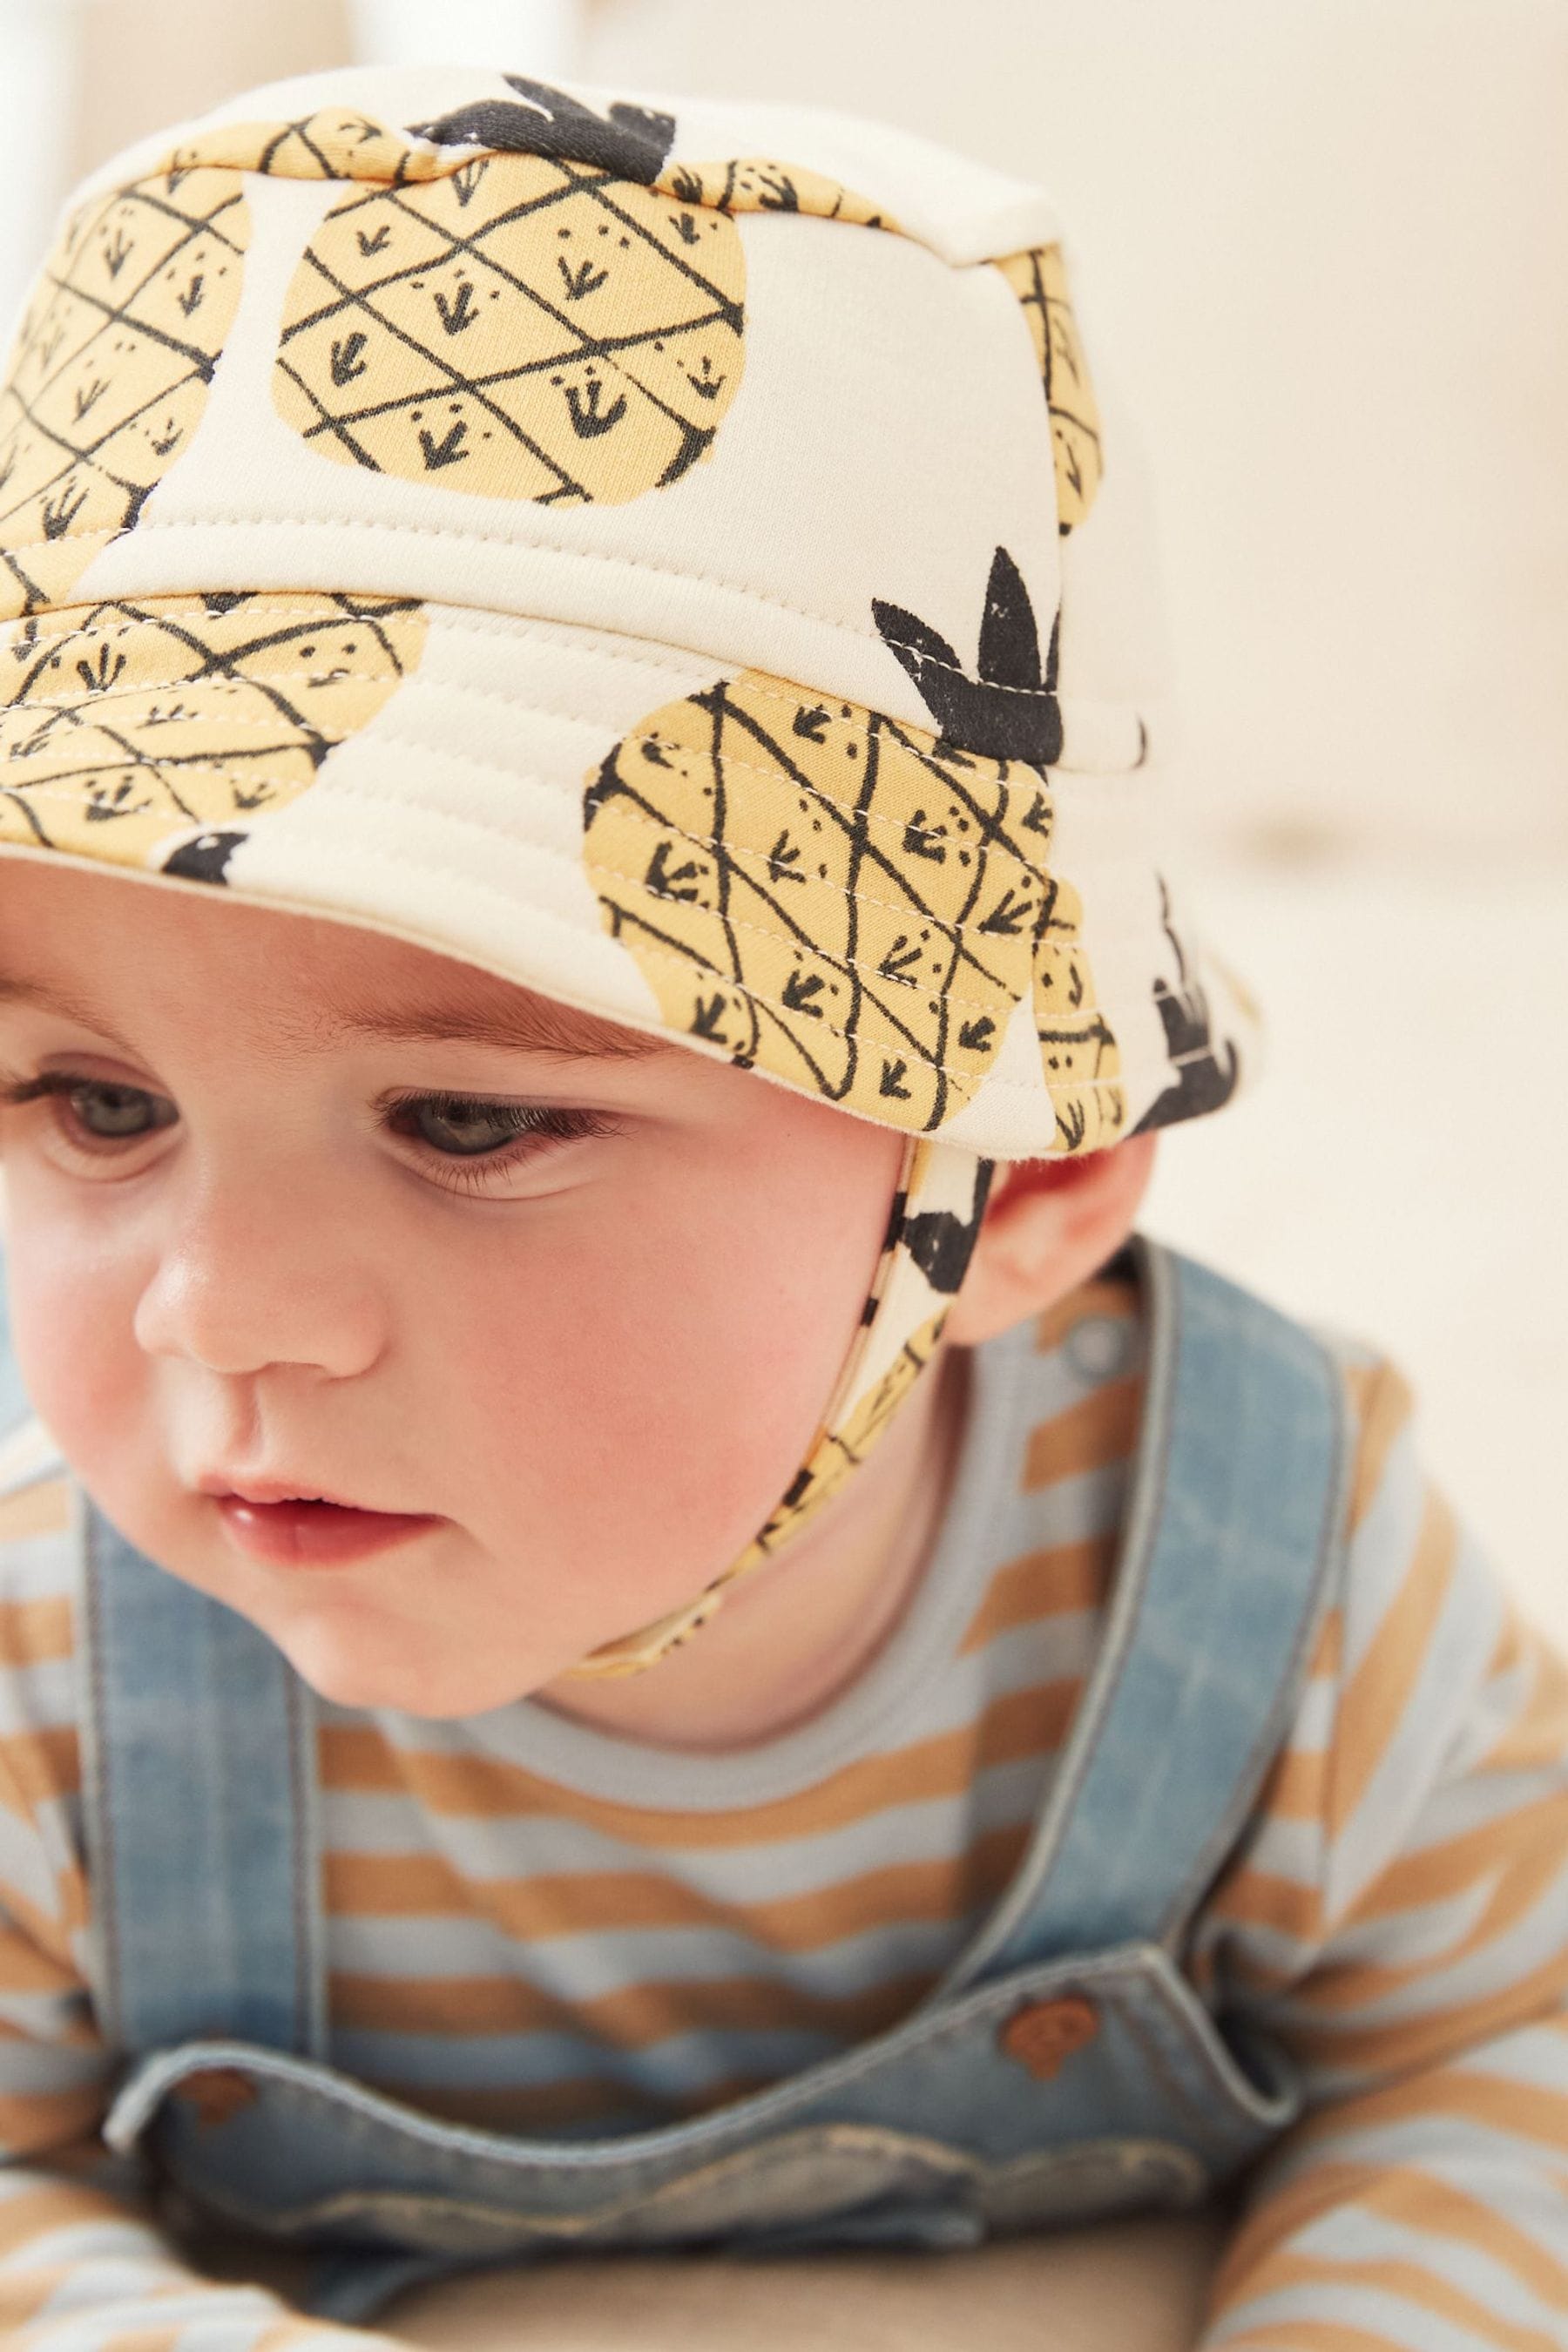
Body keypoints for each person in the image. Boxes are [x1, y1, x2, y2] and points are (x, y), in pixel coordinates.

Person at [0, 59, 1561, 2352]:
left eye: (465, 1123)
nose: (223, 1316)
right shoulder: (63, 1683)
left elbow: (1502, 2040)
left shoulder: (1282, 1596)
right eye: (94, 1098)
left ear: (1018, 1179)